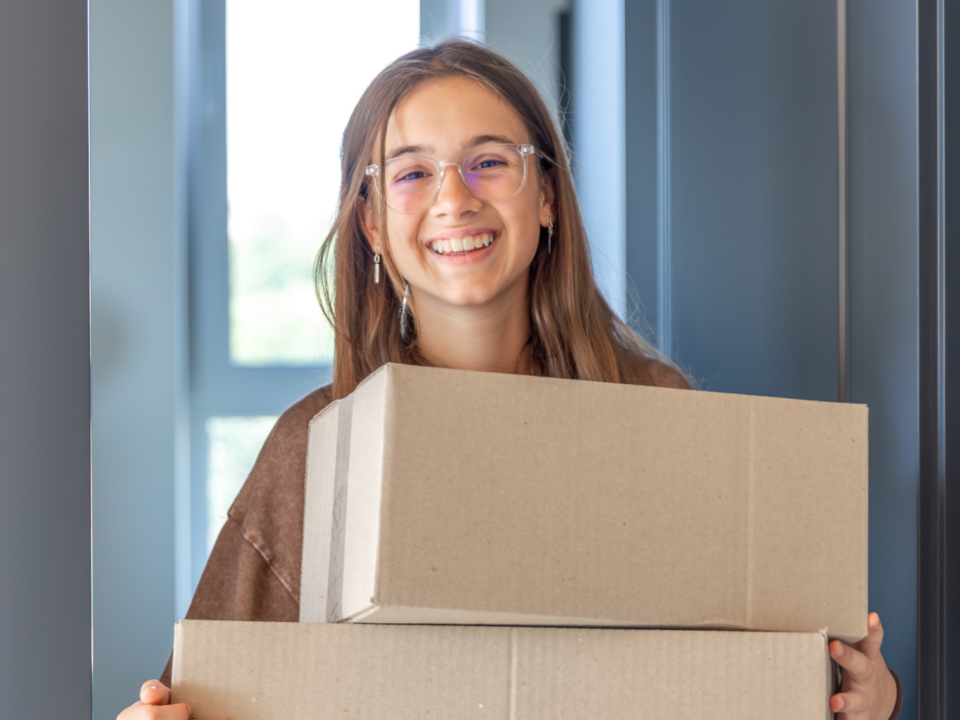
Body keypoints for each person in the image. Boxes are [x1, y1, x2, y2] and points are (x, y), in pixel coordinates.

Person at [118, 38, 902, 720]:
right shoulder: (316, 449)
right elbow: (207, 691)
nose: (454, 198)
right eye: (411, 174)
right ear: (372, 226)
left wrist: (860, 699)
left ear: (549, 195)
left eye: (489, 162)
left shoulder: (654, 413)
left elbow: (746, 678)